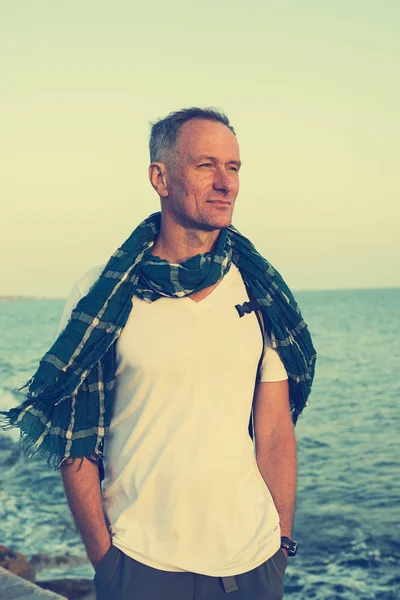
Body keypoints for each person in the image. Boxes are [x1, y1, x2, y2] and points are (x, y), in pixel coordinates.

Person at [1, 107, 316, 600]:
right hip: (144, 566)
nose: (224, 183)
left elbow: (275, 428)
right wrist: (107, 563)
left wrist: (280, 543)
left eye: (233, 168)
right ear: (160, 177)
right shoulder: (102, 296)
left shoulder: (259, 290)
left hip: (253, 564)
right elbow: (77, 442)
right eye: (205, 165)